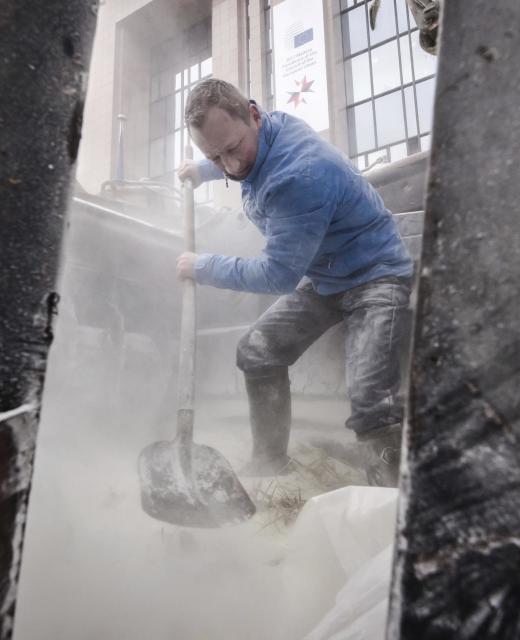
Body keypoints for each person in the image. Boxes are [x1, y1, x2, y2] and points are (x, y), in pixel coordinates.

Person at [175, 78, 413, 486]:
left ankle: (389, 494)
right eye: (215, 156)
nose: (230, 167)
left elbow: (279, 274)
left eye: (232, 149)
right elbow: (231, 156)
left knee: (372, 400)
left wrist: (204, 267)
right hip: (326, 278)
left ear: (253, 115)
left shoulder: (298, 175)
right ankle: (270, 463)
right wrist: (201, 170)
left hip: (376, 274)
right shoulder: (266, 130)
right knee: (256, 351)